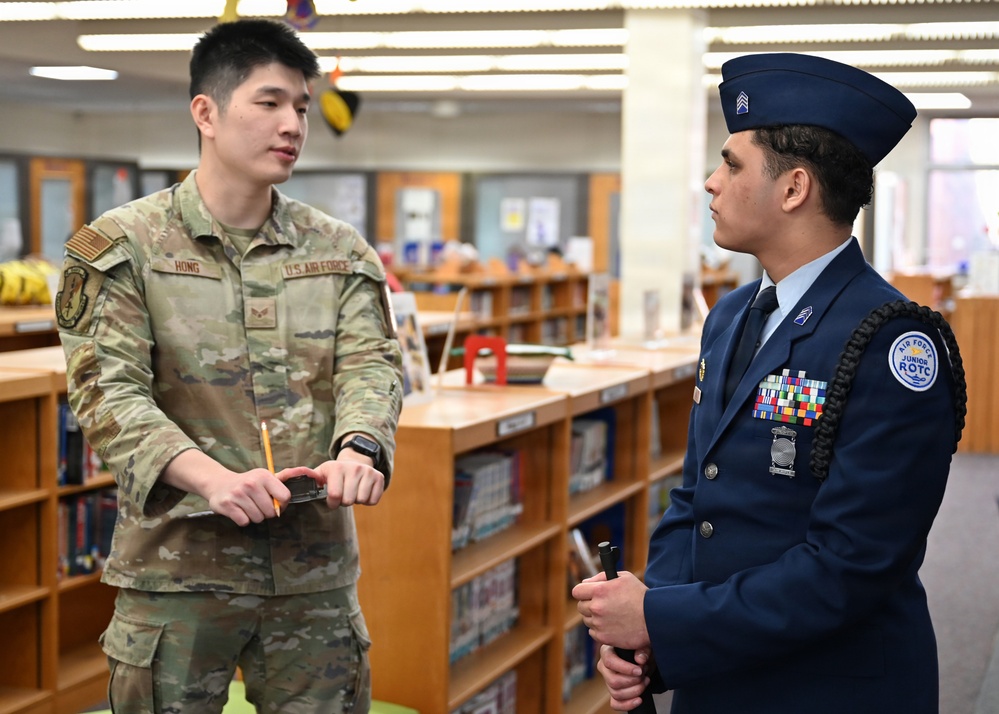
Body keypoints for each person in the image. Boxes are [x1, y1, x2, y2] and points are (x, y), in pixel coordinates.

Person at [573, 52, 967, 713]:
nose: (708, 183)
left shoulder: (892, 341)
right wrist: (647, 628)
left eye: (730, 165)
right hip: (718, 675)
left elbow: (849, 567)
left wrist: (663, 621)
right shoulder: (731, 315)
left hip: (828, 687)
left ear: (793, 189)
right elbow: (695, 497)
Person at [54, 18, 403, 713]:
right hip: (178, 574)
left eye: (301, 107)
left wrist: (361, 445)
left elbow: (372, 366)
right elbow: (107, 394)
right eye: (268, 102)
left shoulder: (338, 249)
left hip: (313, 572)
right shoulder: (123, 246)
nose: (292, 124)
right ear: (205, 113)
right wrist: (209, 478)